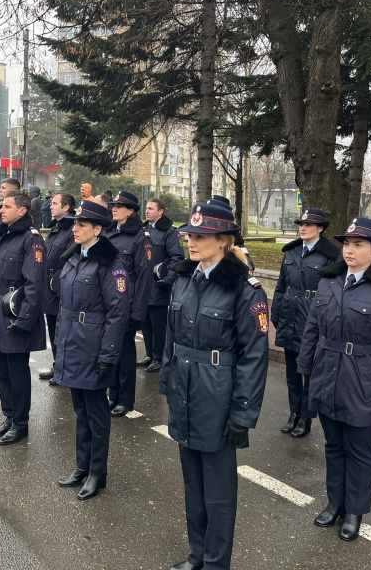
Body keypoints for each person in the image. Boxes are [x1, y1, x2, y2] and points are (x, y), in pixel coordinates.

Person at [160, 202, 269, 570]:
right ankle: (197, 555)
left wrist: (243, 412)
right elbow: (171, 338)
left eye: (201, 236)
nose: (191, 242)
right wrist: (167, 382)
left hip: (218, 395)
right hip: (185, 391)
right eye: (189, 235)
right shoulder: (184, 278)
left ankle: (216, 563)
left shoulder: (245, 288)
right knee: (193, 484)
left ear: (223, 241)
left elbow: (254, 356)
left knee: (219, 492)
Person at [298, 217, 371, 541]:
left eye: (358, 244)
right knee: (333, 445)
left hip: (364, 380)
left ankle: (354, 512)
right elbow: (312, 329)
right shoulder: (329, 281)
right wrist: (306, 369)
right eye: (347, 244)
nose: (349, 250)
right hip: (327, 374)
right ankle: (335, 503)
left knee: (360, 450)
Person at [53, 200, 130, 500]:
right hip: (72, 343)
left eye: (81, 224)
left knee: (97, 415)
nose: (75, 229)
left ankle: (98, 472)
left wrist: (109, 355)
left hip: (94, 344)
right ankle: (81, 466)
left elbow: (117, 313)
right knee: (80, 410)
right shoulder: (73, 257)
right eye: (74, 224)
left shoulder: (111, 262)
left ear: (98, 229)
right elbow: (64, 307)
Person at [0, 190, 46, 445]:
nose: (1, 210)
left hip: (15, 312)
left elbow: (34, 283)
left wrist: (25, 319)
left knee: (17, 371)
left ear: (22, 211)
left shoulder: (31, 240)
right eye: (1, 206)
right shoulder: (2, 235)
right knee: (3, 369)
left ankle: (20, 423)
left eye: (7, 206)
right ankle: (8, 416)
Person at [271, 208, 340, 438]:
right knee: (292, 372)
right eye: (301, 224)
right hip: (290, 315)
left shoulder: (331, 255)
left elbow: (334, 292)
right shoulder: (291, 252)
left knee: (310, 372)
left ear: (320, 229)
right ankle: (293, 413)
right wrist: (276, 312)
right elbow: (281, 285)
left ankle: (306, 418)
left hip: (313, 318)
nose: (303, 227)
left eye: (309, 225)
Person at [103, 191, 153, 417]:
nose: (114, 208)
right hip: (108, 303)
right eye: (113, 205)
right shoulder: (109, 232)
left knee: (124, 353)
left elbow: (144, 277)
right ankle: (113, 394)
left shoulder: (141, 237)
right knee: (110, 350)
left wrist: (137, 311)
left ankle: (125, 399)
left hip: (127, 304)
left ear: (131, 211)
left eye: (120, 206)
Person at [140, 197, 184, 373]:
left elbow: (177, 258)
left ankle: (159, 357)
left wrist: (168, 280)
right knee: (145, 323)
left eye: (151, 208)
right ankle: (150, 354)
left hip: (158, 284)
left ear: (161, 212)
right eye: (146, 208)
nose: (147, 211)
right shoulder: (143, 230)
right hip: (142, 285)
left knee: (158, 325)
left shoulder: (170, 232)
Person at [38, 192, 76, 384]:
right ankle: (57, 365)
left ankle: (65, 369)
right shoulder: (56, 229)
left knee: (64, 332)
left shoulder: (72, 230)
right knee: (53, 330)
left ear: (66, 207)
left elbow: (70, 260)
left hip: (61, 287)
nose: (50, 206)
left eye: (54, 203)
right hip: (49, 287)